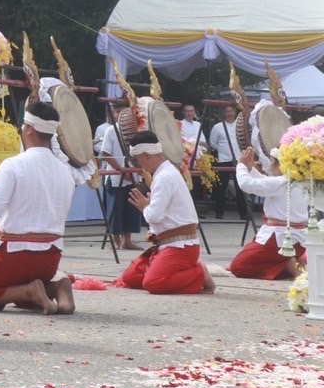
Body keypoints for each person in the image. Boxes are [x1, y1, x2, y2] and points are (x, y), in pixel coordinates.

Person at [0, 103, 75, 314]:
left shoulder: (13, 165)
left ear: (30, 129)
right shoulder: (65, 171)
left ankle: (27, 292)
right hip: (50, 260)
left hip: (13, 258)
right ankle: (55, 287)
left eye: (23, 125)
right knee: (18, 291)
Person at [115, 131, 215, 295]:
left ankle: (199, 272)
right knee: (129, 278)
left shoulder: (164, 177)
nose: (138, 164)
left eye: (138, 159)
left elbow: (154, 216)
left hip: (180, 248)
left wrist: (144, 207)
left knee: (153, 283)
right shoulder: (166, 172)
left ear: (146, 155)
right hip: (168, 244)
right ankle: (164, 268)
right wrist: (149, 206)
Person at [228, 145, 308, 279]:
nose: (270, 165)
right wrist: (250, 169)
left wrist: (241, 165)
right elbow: (265, 182)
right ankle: (293, 260)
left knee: (238, 266)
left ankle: (287, 263)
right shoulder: (300, 181)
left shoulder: (280, 182)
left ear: (280, 164)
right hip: (298, 242)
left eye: (272, 161)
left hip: (279, 241)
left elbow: (246, 185)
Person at [95, 114, 142, 250]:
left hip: (133, 175)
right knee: (116, 209)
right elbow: (105, 153)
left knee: (132, 209)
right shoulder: (111, 130)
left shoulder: (136, 131)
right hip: (116, 176)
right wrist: (121, 169)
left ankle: (127, 240)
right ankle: (116, 241)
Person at [206, 104, 241, 219]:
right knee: (221, 187)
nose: (229, 113)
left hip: (239, 158)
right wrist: (223, 149)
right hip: (223, 159)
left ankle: (244, 213)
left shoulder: (240, 125)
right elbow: (213, 143)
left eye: (231, 111)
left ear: (235, 112)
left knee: (240, 186)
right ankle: (219, 212)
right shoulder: (217, 127)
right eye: (227, 111)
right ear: (224, 113)